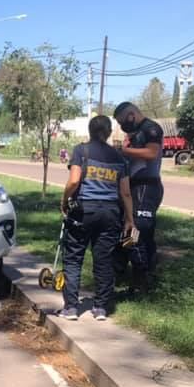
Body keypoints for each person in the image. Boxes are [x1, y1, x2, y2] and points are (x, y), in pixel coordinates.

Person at [58, 116, 135, 321]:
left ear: (90, 131)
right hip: (110, 213)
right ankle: (101, 308)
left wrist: (64, 200)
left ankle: (71, 308)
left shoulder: (81, 151)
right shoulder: (120, 158)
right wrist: (130, 219)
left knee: (74, 258)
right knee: (104, 260)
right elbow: (125, 193)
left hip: (83, 211)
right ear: (109, 132)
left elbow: (74, 181)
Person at [113, 101, 164, 291]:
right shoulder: (134, 133)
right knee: (126, 226)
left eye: (122, 121)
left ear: (132, 114)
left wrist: (123, 151)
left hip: (146, 187)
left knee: (138, 230)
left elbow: (152, 153)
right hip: (133, 186)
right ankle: (121, 272)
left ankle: (142, 279)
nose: (122, 126)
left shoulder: (152, 129)